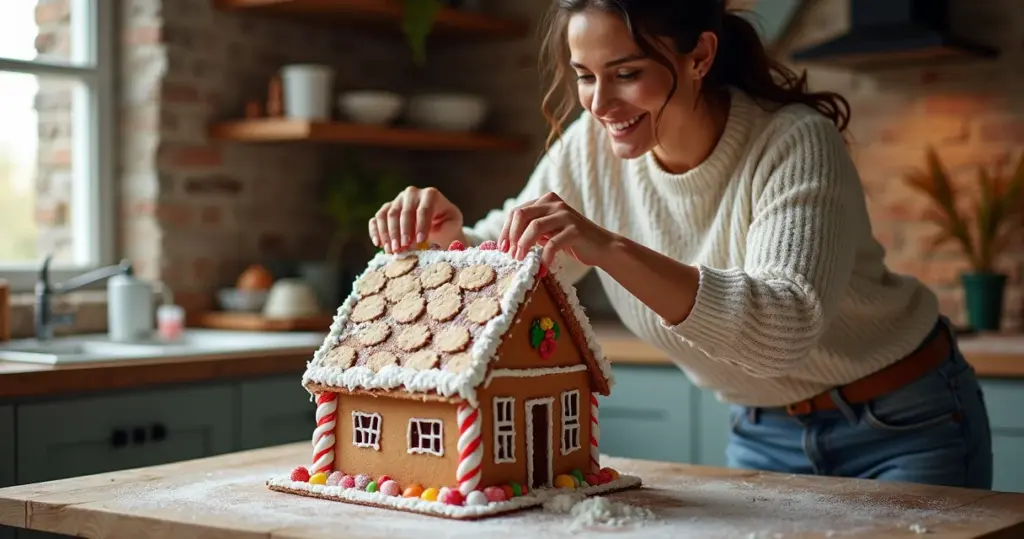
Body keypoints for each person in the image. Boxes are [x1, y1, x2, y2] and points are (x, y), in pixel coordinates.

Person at [367, 0, 993, 489]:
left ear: (699, 57)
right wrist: (450, 240)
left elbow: (785, 325)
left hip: (907, 423)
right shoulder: (592, 149)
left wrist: (608, 247)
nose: (601, 104)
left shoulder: (795, 142)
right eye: (585, 77)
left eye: (628, 73)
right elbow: (517, 256)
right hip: (762, 431)